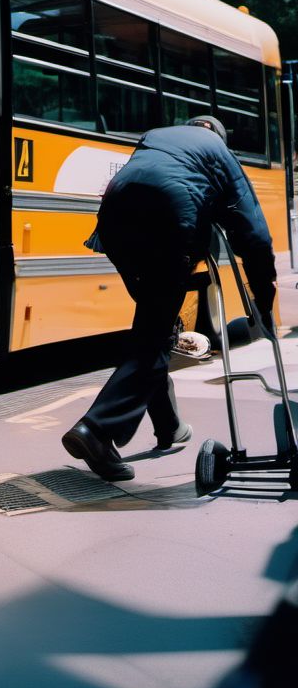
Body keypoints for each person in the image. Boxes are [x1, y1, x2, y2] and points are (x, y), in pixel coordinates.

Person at [63, 115, 277, 481]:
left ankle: (168, 426)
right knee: (155, 333)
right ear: (221, 137)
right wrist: (264, 303)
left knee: (154, 329)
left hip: (114, 224)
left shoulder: (155, 135)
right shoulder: (221, 153)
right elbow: (254, 235)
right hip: (168, 225)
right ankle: (96, 430)